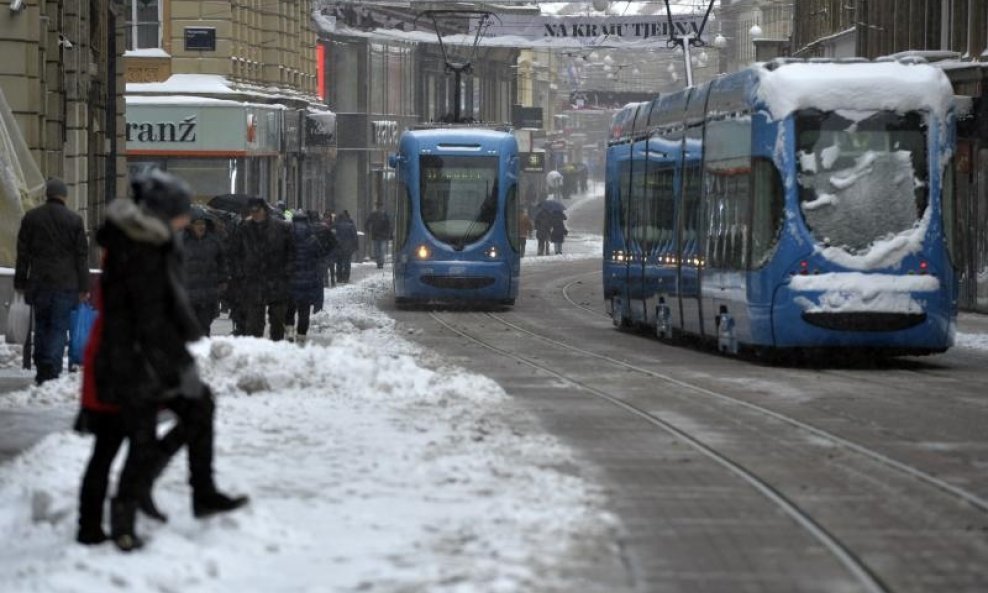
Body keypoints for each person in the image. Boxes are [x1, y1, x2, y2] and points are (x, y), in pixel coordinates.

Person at [89, 171, 247, 551]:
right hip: (133, 359)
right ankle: (124, 516)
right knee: (142, 437)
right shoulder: (139, 247)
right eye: (179, 211)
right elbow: (143, 313)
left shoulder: (156, 242)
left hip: (157, 354)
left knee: (199, 408)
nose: (185, 218)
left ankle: (201, 492)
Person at [14, 177, 90, 385]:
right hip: (66, 284)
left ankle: (42, 368)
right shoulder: (74, 220)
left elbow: (23, 254)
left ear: (47, 195)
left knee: (41, 326)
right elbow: (81, 257)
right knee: (58, 327)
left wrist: (20, 281)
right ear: (64, 196)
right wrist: (84, 287)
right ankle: (52, 370)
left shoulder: (31, 218)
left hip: (39, 283)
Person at [228, 197, 294, 341]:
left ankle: (276, 349)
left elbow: (291, 252)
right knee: (254, 323)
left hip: (276, 279)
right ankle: (256, 350)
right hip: (253, 280)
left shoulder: (281, 228)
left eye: (257, 211)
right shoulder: (244, 229)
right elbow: (235, 253)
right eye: (252, 212)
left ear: (264, 210)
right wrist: (240, 272)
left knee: (277, 321)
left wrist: (287, 271)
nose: (255, 214)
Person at [285, 211, 335, 345]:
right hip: (308, 279)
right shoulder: (312, 239)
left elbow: (281, 256)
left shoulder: (287, 237)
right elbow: (320, 254)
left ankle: (289, 330)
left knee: (290, 307)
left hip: (291, 278)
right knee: (304, 309)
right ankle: (301, 335)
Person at [182, 210, 227, 336]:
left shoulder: (214, 242)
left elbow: (222, 262)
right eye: (198, 223)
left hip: (208, 292)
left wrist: (223, 280)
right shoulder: (182, 242)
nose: (201, 226)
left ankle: (203, 351)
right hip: (188, 292)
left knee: (205, 326)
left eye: (203, 223)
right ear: (190, 226)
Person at [333, 211, 358, 283]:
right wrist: (355, 246)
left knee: (339, 262)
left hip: (339, 246)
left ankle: (339, 277)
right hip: (348, 246)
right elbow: (354, 236)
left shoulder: (337, 225)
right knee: (347, 262)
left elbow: (333, 235)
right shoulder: (351, 225)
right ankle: (346, 277)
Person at [364, 202, 392, 269]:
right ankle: (378, 262)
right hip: (375, 236)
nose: (379, 209)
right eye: (378, 207)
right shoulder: (373, 215)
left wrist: (389, 233)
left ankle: (381, 263)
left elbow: (389, 225)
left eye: (380, 207)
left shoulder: (385, 215)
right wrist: (368, 229)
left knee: (382, 250)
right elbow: (367, 222)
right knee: (376, 250)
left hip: (383, 236)